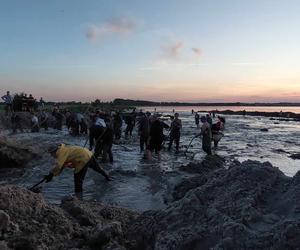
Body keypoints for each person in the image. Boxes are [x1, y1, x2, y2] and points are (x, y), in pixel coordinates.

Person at [45, 144, 111, 196]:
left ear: (54, 151)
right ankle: (108, 177)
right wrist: (52, 174)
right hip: (88, 153)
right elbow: (62, 167)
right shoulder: (64, 149)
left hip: (83, 158)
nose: (51, 155)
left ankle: (79, 198)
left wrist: (51, 174)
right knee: (98, 169)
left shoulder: (60, 153)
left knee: (78, 180)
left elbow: (59, 166)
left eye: (51, 153)